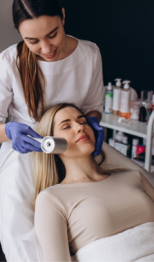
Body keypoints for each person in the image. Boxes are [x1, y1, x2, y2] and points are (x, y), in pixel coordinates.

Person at [0, 0, 105, 260]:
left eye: (53, 34)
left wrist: (92, 123)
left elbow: (94, 107)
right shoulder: (9, 62)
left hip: (75, 151)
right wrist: (10, 131)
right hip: (27, 154)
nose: (46, 48)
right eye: (32, 41)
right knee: (22, 233)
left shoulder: (89, 53)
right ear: (19, 33)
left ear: (62, 16)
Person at [33, 103, 154, 261]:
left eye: (83, 122)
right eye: (66, 126)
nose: (80, 127)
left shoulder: (134, 177)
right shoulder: (51, 199)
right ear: (51, 144)